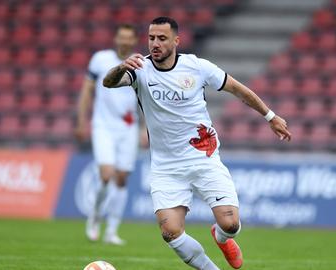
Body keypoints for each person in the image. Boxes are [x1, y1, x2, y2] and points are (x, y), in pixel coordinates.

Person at [103, 17, 291, 269]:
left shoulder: (197, 67)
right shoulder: (138, 70)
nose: (155, 44)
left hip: (204, 158)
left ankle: (222, 238)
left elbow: (237, 89)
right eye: (151, 38)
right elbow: (108, 82)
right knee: (170, 231)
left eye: (162, 38)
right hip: (166, 167)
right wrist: (120, 67)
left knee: (230, 225)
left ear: (176, 41)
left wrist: (270, 116)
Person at [74, 24, 140, 245]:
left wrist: (145, 129)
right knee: (106, 174)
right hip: (103, 126)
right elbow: (87, 90)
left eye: (128, 38)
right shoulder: (101, 59)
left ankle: (112, 230)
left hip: (128, 127)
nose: (124, 41)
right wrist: (81, 121)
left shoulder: (140, 63)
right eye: (121, 37)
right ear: (116, 38)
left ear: (133, 41)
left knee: (121, 179)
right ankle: (94, 217)